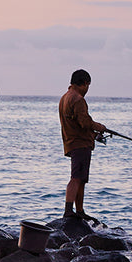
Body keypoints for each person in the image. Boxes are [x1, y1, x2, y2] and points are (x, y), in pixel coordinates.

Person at [58, 68, 108, 221]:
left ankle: (79, 210)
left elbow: (77, 124)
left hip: (71, 142)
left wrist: (93, 135)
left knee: (81, 178)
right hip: (80, 144)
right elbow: (84, 122)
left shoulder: (64, 98)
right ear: (84, 84)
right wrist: (99, 127)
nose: (87, 90)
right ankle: (69, 210)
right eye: (88, 86)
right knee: (76, 178)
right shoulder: (78, 99)